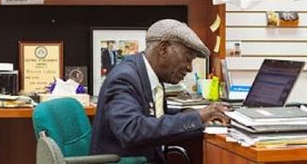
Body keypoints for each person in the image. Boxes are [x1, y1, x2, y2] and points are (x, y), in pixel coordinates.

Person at [90, 19, 229, 163]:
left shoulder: (150, 77)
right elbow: (132, 130)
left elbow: (151, 115)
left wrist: (189, 114)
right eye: (188, 59)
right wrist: (197, 117)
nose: (190, 68)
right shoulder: (125, 77)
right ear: (163, 49)